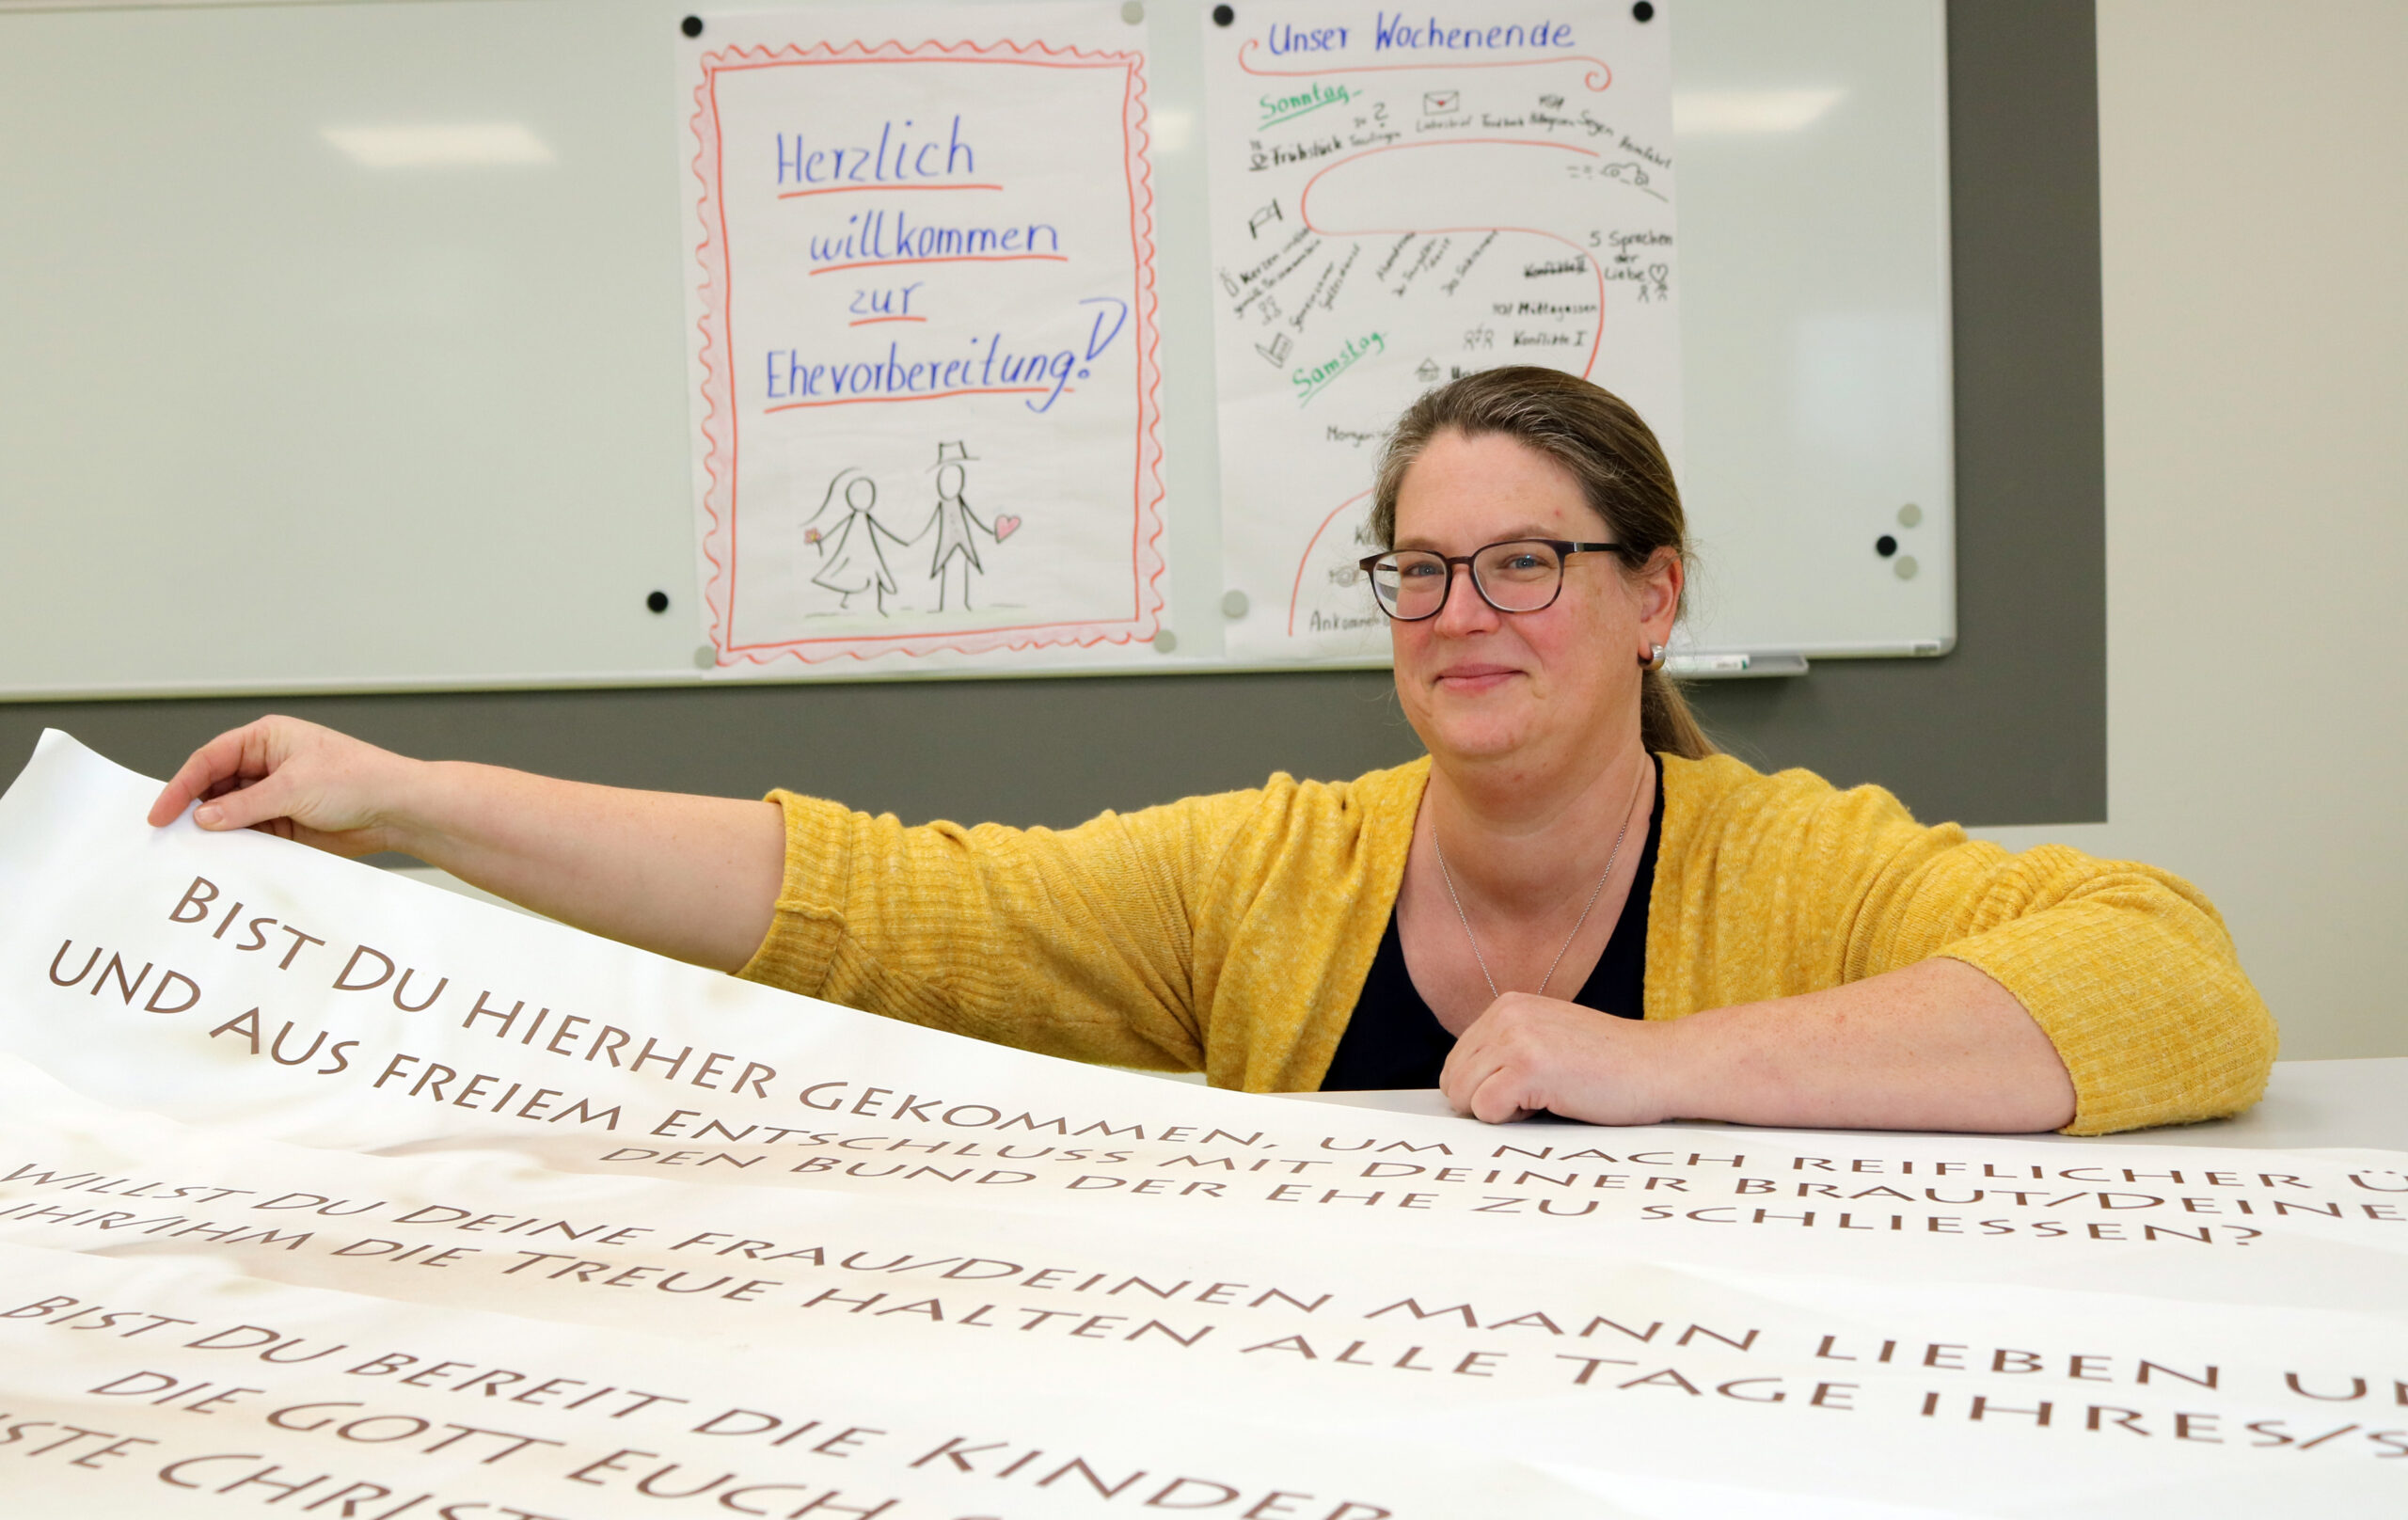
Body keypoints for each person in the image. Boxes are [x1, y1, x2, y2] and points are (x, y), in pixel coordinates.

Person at [148, 369, 2274, 1135]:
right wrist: (407, 798)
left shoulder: (1793, 864)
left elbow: (2171, 982)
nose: (1464, 613)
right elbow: (872, 901)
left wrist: (1657, 1061)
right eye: (1418, 570)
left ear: (1654, 597)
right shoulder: (1269, 875)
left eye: (1527, 563)